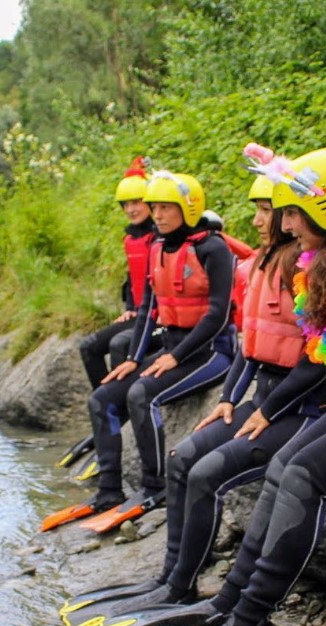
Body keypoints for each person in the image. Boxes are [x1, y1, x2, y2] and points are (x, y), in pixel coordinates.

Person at [138, 145, 326, 626]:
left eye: (294, 213)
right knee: (280, 467)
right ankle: (230, 599)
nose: (285, 224)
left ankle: (249, 621)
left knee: (303, 475)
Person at [62, 175, 326, 626]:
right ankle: (175, 582)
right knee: (182, 459)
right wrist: (229, 398)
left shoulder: (311, 268)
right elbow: (251, 345)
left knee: (207, 473)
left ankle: (200, 591)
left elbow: (323, 360)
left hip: (302, 408)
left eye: (267, 211)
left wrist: (267, 410)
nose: (257, 220)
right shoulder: (261, 263)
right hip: (262, 398)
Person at [86, 170, 237, 519]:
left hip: (212, 352)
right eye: (154, 208)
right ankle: (109, 489)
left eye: (166, 208)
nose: (158, 215)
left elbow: (217, 315)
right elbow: (147, 310)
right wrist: (133, 358)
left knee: (141, 395)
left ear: (188, 207)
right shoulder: (156, 247)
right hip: (172, 346)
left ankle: (155, 486)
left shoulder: (213, 248)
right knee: (102, 399)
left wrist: (176, 357)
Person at [78, 156, 159, 389]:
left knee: (119, 344)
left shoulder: (161, 237)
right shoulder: (131, 239)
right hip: (139, 313)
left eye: (136, 203)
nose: (131, 210)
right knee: (88, 347)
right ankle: (105, 399)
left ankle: (118, 399)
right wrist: (130, 309)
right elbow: (132, 279)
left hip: (159, 317)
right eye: (126, 205)